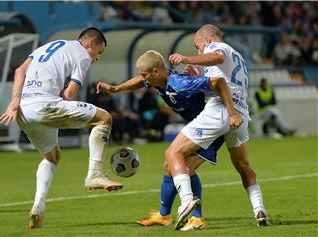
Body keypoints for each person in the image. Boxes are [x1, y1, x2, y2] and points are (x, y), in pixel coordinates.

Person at [96, 49, 238, 231]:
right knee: (170, 165)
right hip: (199, 129)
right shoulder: (158, 81)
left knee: (185, 167)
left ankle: (197, 219)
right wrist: (115, 89)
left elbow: (218, 82)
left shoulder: (179, 83)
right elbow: (140, 82)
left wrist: (232, 114)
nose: (143, 78)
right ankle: (164, 215)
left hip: (211, 128)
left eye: (145, 74)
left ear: (156, 71)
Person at [0, 27, 123, 229]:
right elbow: (70, 94)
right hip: (45, 106)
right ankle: (94, 174)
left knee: (52, 156)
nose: (97, 58)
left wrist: (14, 102)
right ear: (90, 43)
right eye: (98, 52)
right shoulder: (82, 55)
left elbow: (19, 70)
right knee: (104, 118)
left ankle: (38, 205)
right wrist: (68, 87)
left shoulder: (47, 47)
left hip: (23, 112)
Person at [168, 24, 270, 229]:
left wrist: (187, 58)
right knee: (243, 165)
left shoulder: (219, 48)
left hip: (221, 109)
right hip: (240, 114)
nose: (199, 51)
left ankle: (186, 201)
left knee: (173, 153)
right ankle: (260, 210)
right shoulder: (239, 56)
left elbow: (218, 57)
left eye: (199, 47)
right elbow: (222, 76)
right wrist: (199, 77)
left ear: (208, 41)